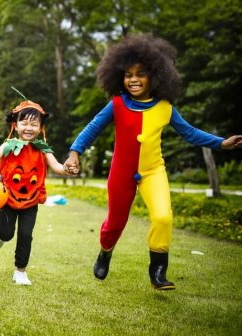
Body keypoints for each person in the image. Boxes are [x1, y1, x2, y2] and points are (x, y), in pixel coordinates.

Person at [63, 34, 242, 290]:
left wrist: (221, 142)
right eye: (128, 75)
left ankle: (158, 270)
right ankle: (105, 252)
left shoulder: (166, 107)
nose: (133, 79)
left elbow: (190, 132)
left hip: (153, 171)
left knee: (163, 217)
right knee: (115, 223)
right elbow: (92, 129)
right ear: (119, 77)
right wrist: (74, 152)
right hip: (121, 173)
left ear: (156, 76)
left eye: (141, 74)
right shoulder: (116, 104)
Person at [0, 100, 74, 286]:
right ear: (15, 125)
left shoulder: (43, 149)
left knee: (26, 234)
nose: (29, 128)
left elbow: (58, 167)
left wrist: (68, 168)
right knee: (7, 233)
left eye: (34, 124)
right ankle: (0, 235)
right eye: (24, 123)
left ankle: (20, 271)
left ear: (41, 127)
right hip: (8, 198)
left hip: (31, 200)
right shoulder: (8, 146)